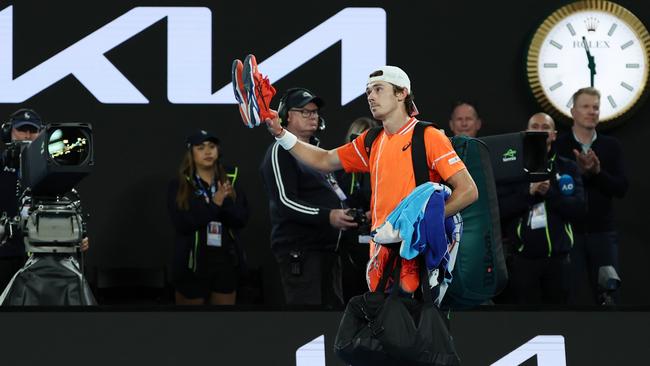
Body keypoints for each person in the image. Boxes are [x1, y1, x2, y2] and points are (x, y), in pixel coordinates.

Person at [263, 66, 478, 296]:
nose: (371, 97)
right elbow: (324, 159)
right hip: (381, 257)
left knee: (416, 327)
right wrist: (281, 134)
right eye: (368, 92)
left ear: (401, 93)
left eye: (378, 89)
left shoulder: (429, 136)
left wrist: (422, 225)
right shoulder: (372, 140)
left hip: (418, 258)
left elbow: (468, 191)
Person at [260, 88, 355, 307]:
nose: (312, 115)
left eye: (314, 112)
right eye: (304, 111)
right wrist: (328, 216)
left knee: (332, 323)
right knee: (307, 324)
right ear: (286, 116)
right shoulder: (279, 151)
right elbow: (285, 201)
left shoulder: (319, 153)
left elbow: (335, 194)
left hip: (330, 251)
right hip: (301, 253)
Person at [498, 113, 584, 304]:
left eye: (544, 128)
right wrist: (529, 193)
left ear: (553, 134)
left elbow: (578, 208)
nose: (539, 131)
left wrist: (550, 192)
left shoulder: (567, 167)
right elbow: (501, 209)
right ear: (526, 133)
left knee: (560, 319)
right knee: (525, 322)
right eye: (534, 127)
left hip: (559, 261)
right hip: (524, 261)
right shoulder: (511, 169)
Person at [0, 108, 89, 292]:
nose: (27, 135)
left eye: (32, 131)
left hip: (45, 258)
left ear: (41, 134)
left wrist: (79, 235)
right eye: (21, 130)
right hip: (5, 258)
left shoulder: (54, 168)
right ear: (9, 133)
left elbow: (70, 206)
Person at [554, 87, 628, 305]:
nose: (591, 111)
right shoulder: (560, 146)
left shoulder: (611, 146)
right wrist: (577, 172)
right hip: (569, 234)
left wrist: (596, 173)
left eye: (595, 107)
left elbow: (621, 188)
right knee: (569, 296)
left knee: (609, 296)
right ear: (573, 111)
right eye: (585, 106)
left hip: (602, 233)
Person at [167, 129, 249, 305]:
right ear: (191, 152)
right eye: (200, 147)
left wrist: (224, 202)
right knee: (191, 327)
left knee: (223, 326)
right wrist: (214, 204)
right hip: (191, 265)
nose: (207, 151)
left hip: (224, 262)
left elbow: (241, 219)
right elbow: (183, 223)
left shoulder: (230, 180)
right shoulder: (180, 184)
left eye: (212, 146)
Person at [335, 116, 378, 302]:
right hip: (347, 239)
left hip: (378, 238)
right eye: (357, 140)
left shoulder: (382, 167)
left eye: (366, 140)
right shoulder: (339, 169)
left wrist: (372, 214)